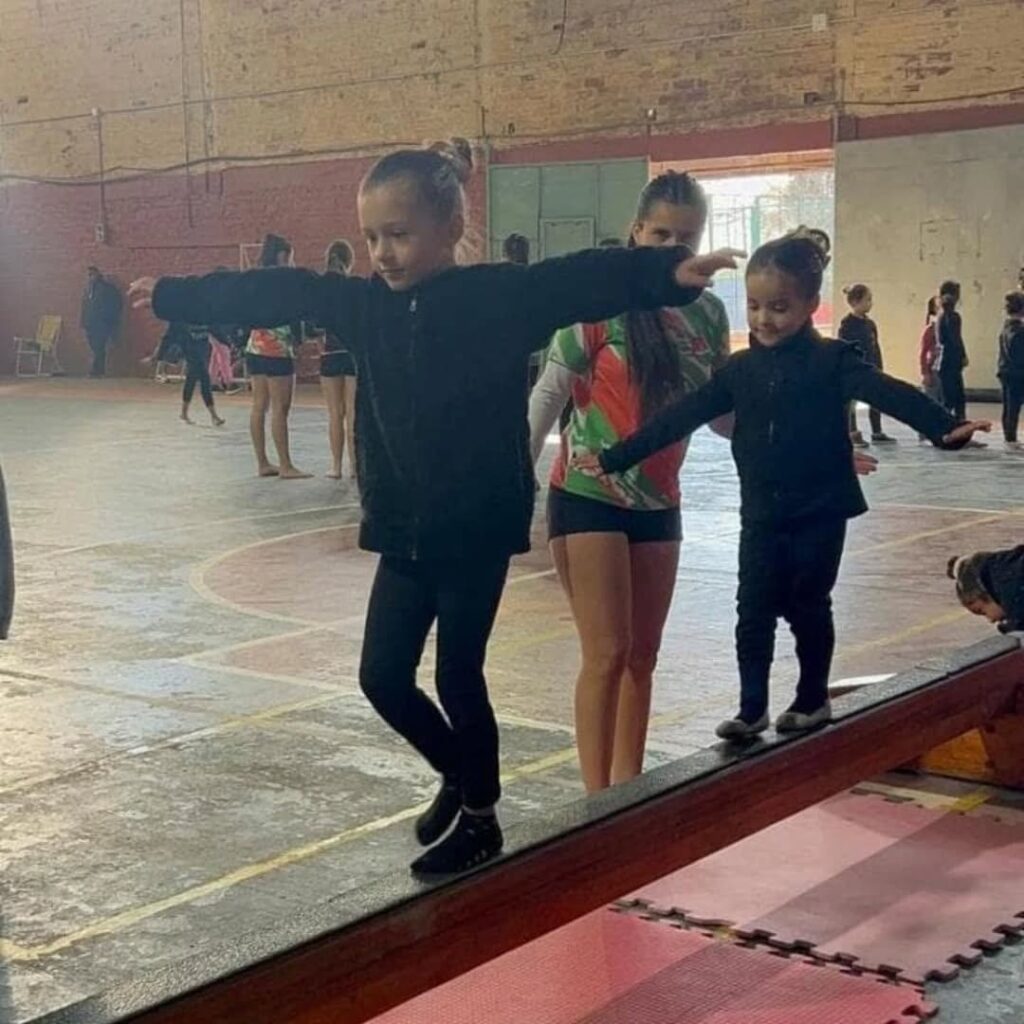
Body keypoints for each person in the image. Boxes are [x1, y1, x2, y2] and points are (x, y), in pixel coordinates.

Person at [129, 137, 741, 876]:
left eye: (399, 234)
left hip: (477, 526)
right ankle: (461, 771)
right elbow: (277, 290)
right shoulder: (362, 307)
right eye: (371, 238)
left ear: (451, 228)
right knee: (382, 677)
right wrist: (177, 298)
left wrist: (663, 273)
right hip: (403, 528)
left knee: (458, 676)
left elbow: (578, 279)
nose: (382, 254)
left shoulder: (496, 299)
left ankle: (481, 820)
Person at [575, 229, 989, 742]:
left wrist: (945, 427)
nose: (764, 319)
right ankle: (752, 708)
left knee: (805, 603)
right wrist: (615, 458)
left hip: (820, 510)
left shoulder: (832, 360)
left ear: (811, 304)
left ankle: (812, 699)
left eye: (779, 307)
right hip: (761, 514)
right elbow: (679, 416)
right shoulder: (739, 369)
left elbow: (887, 391)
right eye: (754, 306)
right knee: (752, 609)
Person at [527, 170, 732, 792]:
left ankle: (628, 793)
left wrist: (808, 444)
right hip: (587, 496)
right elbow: (547, 398)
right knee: (607, 653)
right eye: (660, 234)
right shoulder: (598, 305)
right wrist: (510, 485)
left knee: (643, 657)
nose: (673, 247)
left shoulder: (708, 315)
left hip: (659, 503)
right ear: (636, 231)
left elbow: (724, 417)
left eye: (686, 237)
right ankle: (596, 804)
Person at [244, 234, 310, 479]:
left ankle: (262, 462)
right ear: (283, 256)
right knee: (280, 408)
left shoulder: (255, 278)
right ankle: (286, 465)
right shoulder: (285, 279)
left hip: (255, 346)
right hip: (278, 348)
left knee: (258, 406)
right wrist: (299, 340)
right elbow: (295, 312)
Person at [319, 240, 359, 480]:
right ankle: (354, 466)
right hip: (350, 353)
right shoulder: (352, 288)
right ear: (349, 261)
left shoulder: (322, 290)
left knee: (335, 413)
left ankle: (335, 466)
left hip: (329, 354)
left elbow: (314, 326)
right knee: (353, 413)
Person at [839, 284, 894, 446]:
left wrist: (879, 366)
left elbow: (875, 346)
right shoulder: (847, 324)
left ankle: (877, 431)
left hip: (872, 366)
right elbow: (845, 347)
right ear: (855, 302)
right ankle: (853, 432)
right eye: (867, 300)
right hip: (855, 369)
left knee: (876, 399)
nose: (871, 303)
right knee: (852, 403)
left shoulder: (870, 324)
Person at [948, 547, 1024, 634]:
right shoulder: (1010, 567)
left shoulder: (1011, 587)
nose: (991, 619)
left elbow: (1020, 621)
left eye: (983, 611)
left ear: (986, 595)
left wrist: (1012, 628)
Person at [80, 266, 123, 377]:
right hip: (90, 323)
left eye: (92, 275)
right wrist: (83, 321)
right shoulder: (88, 289)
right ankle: (99, 370)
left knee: (99, 346)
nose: (90, 277)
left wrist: (109, 319)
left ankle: (96, 370)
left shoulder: (106, 288)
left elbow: (116, 303)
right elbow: (85, 306)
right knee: (94, 346)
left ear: (97, 274)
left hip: (102, 323)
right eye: (88, 275)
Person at [936, 280, 969, 422]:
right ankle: (953, 425)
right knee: (957, 398)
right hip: (952, 360)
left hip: (944, 361)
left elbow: (943, 340)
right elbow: (955, 338)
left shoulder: (941, 315)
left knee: (949, 398)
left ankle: (946, 424)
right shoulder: (953, 317)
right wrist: (963, 355)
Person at [998, 290, 1024, 452]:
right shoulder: (1019, 331)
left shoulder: (1006, 326)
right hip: (1017, 374)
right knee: (1013, 407)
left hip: (1005, 371)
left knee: (1008, 406)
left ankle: (1009, 437)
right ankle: (1011, 438)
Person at [917, 296, 943, 443]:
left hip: (942, 370)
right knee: (930, 402)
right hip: (932, 370)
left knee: (941, 403)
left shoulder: (946, 327)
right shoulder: (930, 329)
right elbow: (923, 352)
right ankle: (923, 431)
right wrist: (925, 372)